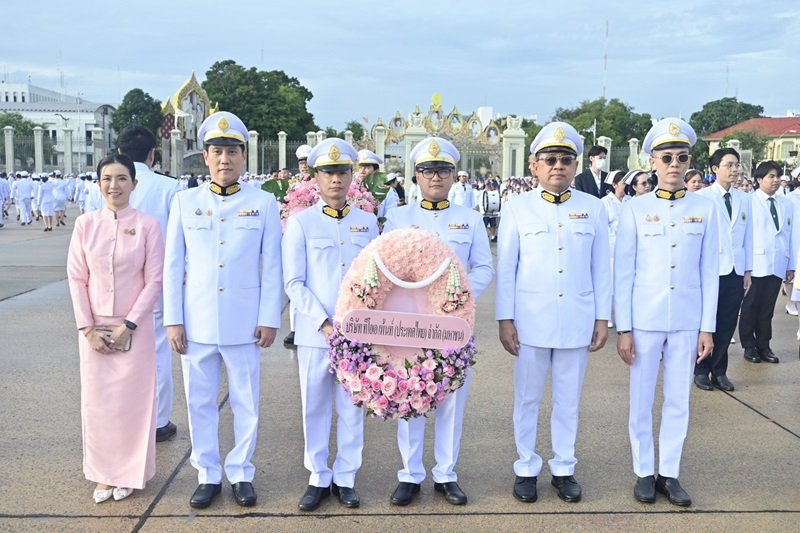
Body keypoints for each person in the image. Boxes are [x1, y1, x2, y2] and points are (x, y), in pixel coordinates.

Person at [163, 111, 283, 509]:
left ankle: (242, 472)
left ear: (244, 156)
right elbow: (172, 266)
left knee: (246, 400)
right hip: (196, 322)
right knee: (199, 402)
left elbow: (272, 266)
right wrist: (173, 319)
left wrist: (269, 318)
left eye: (232, 151)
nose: (225, 159)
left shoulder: (263, 203)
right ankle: (208, 473)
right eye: (217, 151)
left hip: (245, 322)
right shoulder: (184, 202)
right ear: (205, 157)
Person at [496, 122, 611, 505]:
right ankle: (526, 467)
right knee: (527, 398)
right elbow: (507, 267)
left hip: (577, 317)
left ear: (576, 166)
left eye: (565, 160)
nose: (557, 166)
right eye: (549, 159)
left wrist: (602, 318)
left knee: (568, 400)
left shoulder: (593, 208)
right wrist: (504, 319)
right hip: (530, 320)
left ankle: (563, 467)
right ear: (534, 165)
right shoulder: (517, 208)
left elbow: (601, 268)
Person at [384, 136, 494, 507]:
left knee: (451, 402)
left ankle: (446, 473)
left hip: (453, 325)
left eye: (443, 170)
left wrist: (459, 299)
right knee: (410, 397)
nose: (435, 176)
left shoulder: (470, 219)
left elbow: (483, 267)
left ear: (453, 175)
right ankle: (410, 474)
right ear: (416, 175)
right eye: (428, 170)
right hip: (411, 324)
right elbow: (385, 267)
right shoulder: (400, 218)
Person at [615, 118, 719, 507]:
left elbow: (710, 272)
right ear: (652, 162)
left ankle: (669, 472)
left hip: (686, 321)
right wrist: (623, 328)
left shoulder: (705, 208)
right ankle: (644, 470)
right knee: (641, 399)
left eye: (681, 157)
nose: (674, 164)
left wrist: (706, 328)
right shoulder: (635, 209)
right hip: (645, 319)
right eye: (666, 157)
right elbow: (624, 272)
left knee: (679, 399)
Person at [283, 138, 379, 511]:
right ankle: (317, 475)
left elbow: (375, 278)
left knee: (352, 405)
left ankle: (346, 476)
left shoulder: (368, 223)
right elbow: (294, 282)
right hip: (315, 333)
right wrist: (323, 323)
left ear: (352, 175)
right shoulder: (301, 223)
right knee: (315, 405)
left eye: (341, 172)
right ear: (316, 178)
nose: (335, 179)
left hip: (356, 335)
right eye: (328, 173)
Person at [67, 153, 164, 504]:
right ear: (98, 183)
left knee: (133, 405)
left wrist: (129, 325)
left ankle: (129, 474)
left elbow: (154, 280)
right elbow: (77, 278)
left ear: (134, 184)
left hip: (133, 330)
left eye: (122, 178)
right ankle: (103, 474)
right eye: (107, 178)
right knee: (98, 405)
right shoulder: (85, 225)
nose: (114, 185)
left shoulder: (148, 225)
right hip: (93, 331)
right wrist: (87, 328)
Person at [119, 125, 182, 442]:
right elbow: (177, 239)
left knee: (118, 349)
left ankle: (123, 415)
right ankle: (158, 421)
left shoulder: (103, 186)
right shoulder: (168, 187)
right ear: (153, 154)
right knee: (157, 348)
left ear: (119, 154)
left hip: (115, 281)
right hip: (155, 278)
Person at [694, 148, 752, 391]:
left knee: (728, 323)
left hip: (735, 270)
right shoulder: (702, 198)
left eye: (737, 165)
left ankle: (719, 370)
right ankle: (701, 369)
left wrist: (747, 270)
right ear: (714, 169)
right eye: (729, 165)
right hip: (711, 270)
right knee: (708, 321)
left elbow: (748, 236)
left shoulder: (744, 198)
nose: (735, 170)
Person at [738, 160, 798, 365]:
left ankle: (764, 345)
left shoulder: (786, 204)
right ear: (759, 179)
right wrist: (745, 266)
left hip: (778, 263)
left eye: (777, 176)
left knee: (767, 308)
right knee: (751, 306)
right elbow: (744, 236)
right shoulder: (748, 202)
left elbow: (790, 235)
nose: (776, 180)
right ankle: (749, 345)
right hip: (756, 263)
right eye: (771, 176)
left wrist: (791, 265)